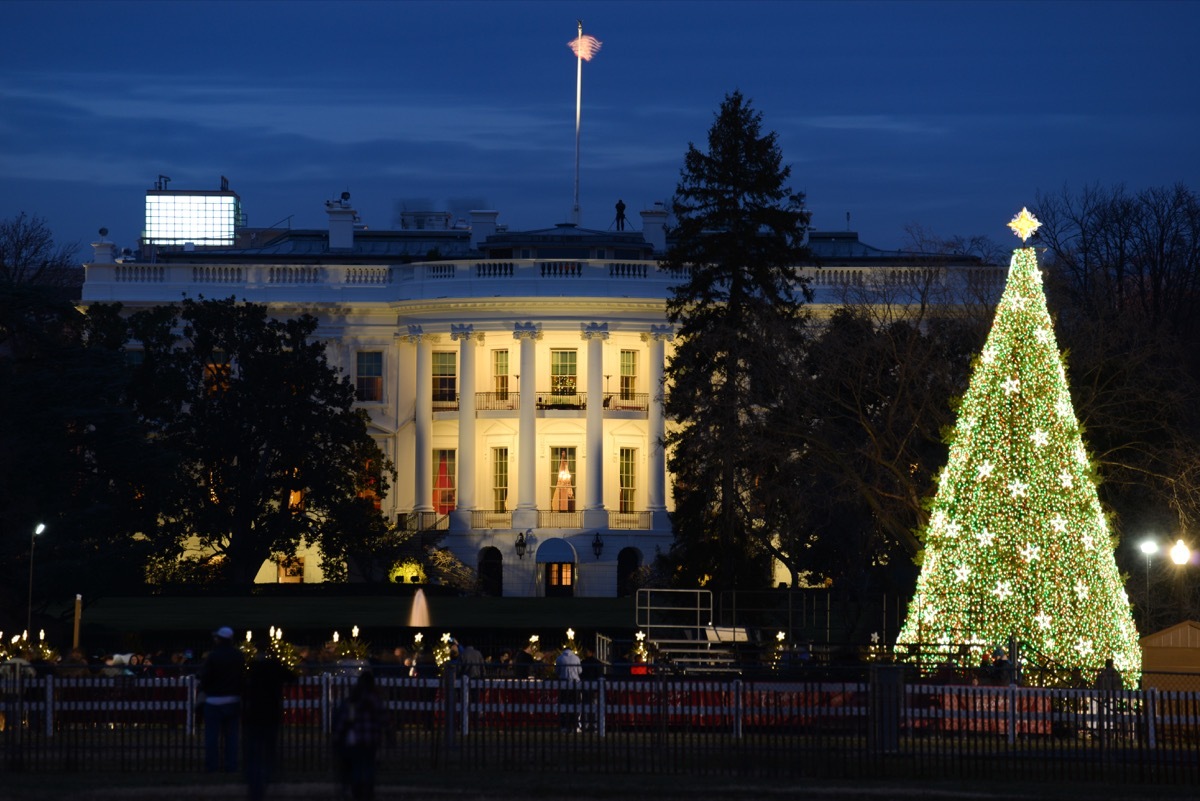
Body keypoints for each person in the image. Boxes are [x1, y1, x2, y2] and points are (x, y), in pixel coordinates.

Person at [243, 650, 296, 801]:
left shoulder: (253, 669)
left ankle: (255, 787)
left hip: (254, 715)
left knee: (254, 752)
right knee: (269, 749)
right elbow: (293, 678)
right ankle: (269, 778)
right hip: (271, 714)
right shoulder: (275, 667)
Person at [331, 671, 389, 801]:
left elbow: (345, 720)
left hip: (356, 740)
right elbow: (384, 720)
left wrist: (337, 737)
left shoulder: (353, 700)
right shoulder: (376, 700)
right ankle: (368, 790)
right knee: (369, 766)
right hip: (372, 740)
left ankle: (357, 791)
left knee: (357, 766)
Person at [199, 625, 246, 773]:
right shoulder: (238, 656)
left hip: (214, 701)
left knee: (212, 737)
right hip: (233, 700)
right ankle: (231, 765)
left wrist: (206, 688)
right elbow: (242, 677)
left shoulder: (213, 656)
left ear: (219, 639)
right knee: (232, 737)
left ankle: (212, 766)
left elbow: (205, 677)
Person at [555, 646, 582, 733]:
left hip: (564, 684)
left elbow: (557, 671)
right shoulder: (576, 658)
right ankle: (575, 725)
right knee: (575, 704)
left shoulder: (559, 658)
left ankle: (564, 725)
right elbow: (580, 671)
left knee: (563, 704)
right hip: (575, 684)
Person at [580, 647, 604, 732]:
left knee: (586, 706)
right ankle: (594, 724)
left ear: (591, 652)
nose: (584, 653)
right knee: (593, 706)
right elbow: (600, 676)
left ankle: (586, 724)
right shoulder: (597, 663)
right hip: (593, 686)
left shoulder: (583, 663)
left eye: (586, 652)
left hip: (586, 686)